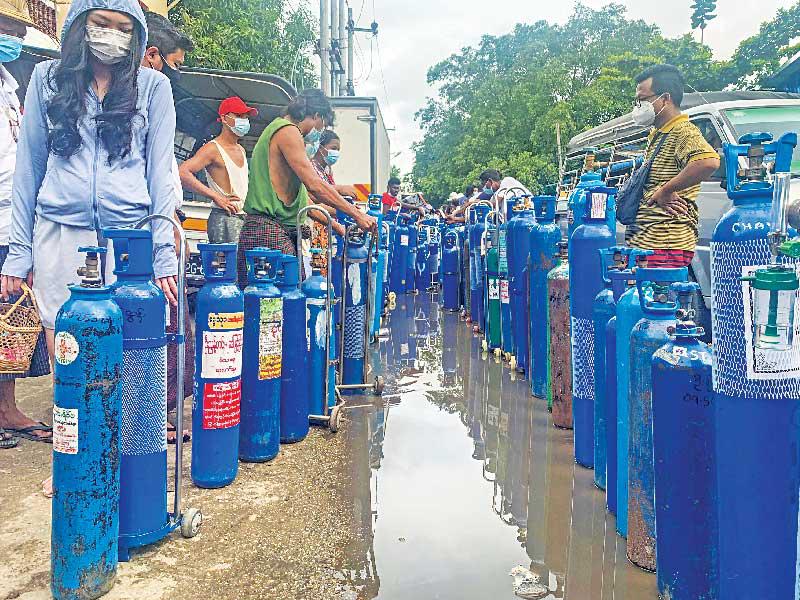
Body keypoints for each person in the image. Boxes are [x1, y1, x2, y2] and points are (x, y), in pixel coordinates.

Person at [0, 0, 179, 459]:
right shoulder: (46, 79)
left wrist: (162, 255)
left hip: (129, 239)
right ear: (80, 25)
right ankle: (74, 465)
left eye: (123, 28)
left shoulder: (153, 87)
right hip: (61, 235)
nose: (112, 35)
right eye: (101, 24)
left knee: (129, 350)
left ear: (137, 37)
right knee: (71, 353)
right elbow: (28, 171)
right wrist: (19, 255)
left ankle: (122, 457)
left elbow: (161, 175)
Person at [236, 88, 376, 286]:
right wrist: (358, 215)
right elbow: (315, 185)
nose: (320, 131)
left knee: (266, 307)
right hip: (269, 233)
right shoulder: (288, 131)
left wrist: (338, 217)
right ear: (316, 115)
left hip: (266, 231)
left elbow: (308, 196)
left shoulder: (276, 130)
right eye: (322, 125)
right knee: (283, 307)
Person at [141, 9, 194, 443]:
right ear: (154, 55)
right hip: (139, 231)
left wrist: (175, 223)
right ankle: (140, 422)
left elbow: (165, 172)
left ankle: (155, 415)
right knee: (151, 329)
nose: (174, 73)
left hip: (160, 227)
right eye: (174, 63)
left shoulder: (155, 96)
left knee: (170, 328)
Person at [0, 0, 51, 448]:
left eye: (16, 30)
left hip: (13, 223)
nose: (11, 38)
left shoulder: (11, 87)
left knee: (13, 326)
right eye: (4, 27)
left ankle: (7, 409)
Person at [626, 64, 720, 268]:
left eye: (643, 100)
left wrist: (666, 190)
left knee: (660, 299)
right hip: (649, 243)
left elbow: (707, 162)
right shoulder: (660, 133)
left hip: (665, 243)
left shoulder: (683, 131)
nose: (638, 106)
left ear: (665, 99)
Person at [179, 96, 255, 244]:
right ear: (224, 118)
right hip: (224, 217)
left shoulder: (241, 149)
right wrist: (216, 196)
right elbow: (183, 172)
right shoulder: (213, 148)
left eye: (246, 117)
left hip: (242, 217)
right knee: (224, 265)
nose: (244, 121)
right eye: (239, 116)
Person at [308, 129, 350, 274]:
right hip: (315, 226)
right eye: (333, 148)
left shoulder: (327, 171)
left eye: (338, 150)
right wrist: (342, 206)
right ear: (321, 147)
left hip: (327, 227)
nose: (336, 153)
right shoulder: (310, 168)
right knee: (317, 274)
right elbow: (313, 197)